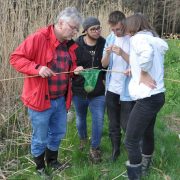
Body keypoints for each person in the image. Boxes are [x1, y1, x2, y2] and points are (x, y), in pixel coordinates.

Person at [10, 7, 83, 174]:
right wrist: (37, 68)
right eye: (73, 27)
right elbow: (15, 58)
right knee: (40, 137)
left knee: (57, 132)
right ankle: (40, 167)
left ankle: (52, 161)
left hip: (61, 99)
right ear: (61, 22)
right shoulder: (39, 37)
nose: (75, 32)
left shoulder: (69, 45)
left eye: (77, 29)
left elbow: (66, 69)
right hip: (40, 100)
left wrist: (74, 71)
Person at [124, 13, 168, 179]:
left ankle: (134, 176)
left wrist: (142, 72)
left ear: (133, 27)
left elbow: (146, 55)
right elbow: (149, 57)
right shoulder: (153, 39)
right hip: (157, 96)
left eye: (128, 29)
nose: (127, 33)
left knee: (131, 140)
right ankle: (144, 169)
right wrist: (136, 70)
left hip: (147, 97)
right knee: (147, 132)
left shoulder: (138, 39)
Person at [101, 11, 135, 161]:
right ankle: (116, 150)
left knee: (127, 123)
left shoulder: (133, 39)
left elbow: (138, 64)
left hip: (128, 90)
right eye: (113, 30)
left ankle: (132, 150)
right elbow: (103, 64)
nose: (116, 32)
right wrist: (107, 54)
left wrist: (121, 53)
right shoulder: (110, 38)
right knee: (113, 122)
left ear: (124, 24)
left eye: (118, 29)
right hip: (112, 89)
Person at [72, 17, 106, 163]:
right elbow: (69, 65)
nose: (97, 31)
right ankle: (83, 139)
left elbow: (106, 65)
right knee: (80, 118)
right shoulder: (75, 45)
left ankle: (95, 147)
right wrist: (74, 70)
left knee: (98, 119)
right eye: (93, 29)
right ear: (85, 31)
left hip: (98, 90)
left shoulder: (104, 43)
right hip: (79, 90)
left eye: (99, 28)